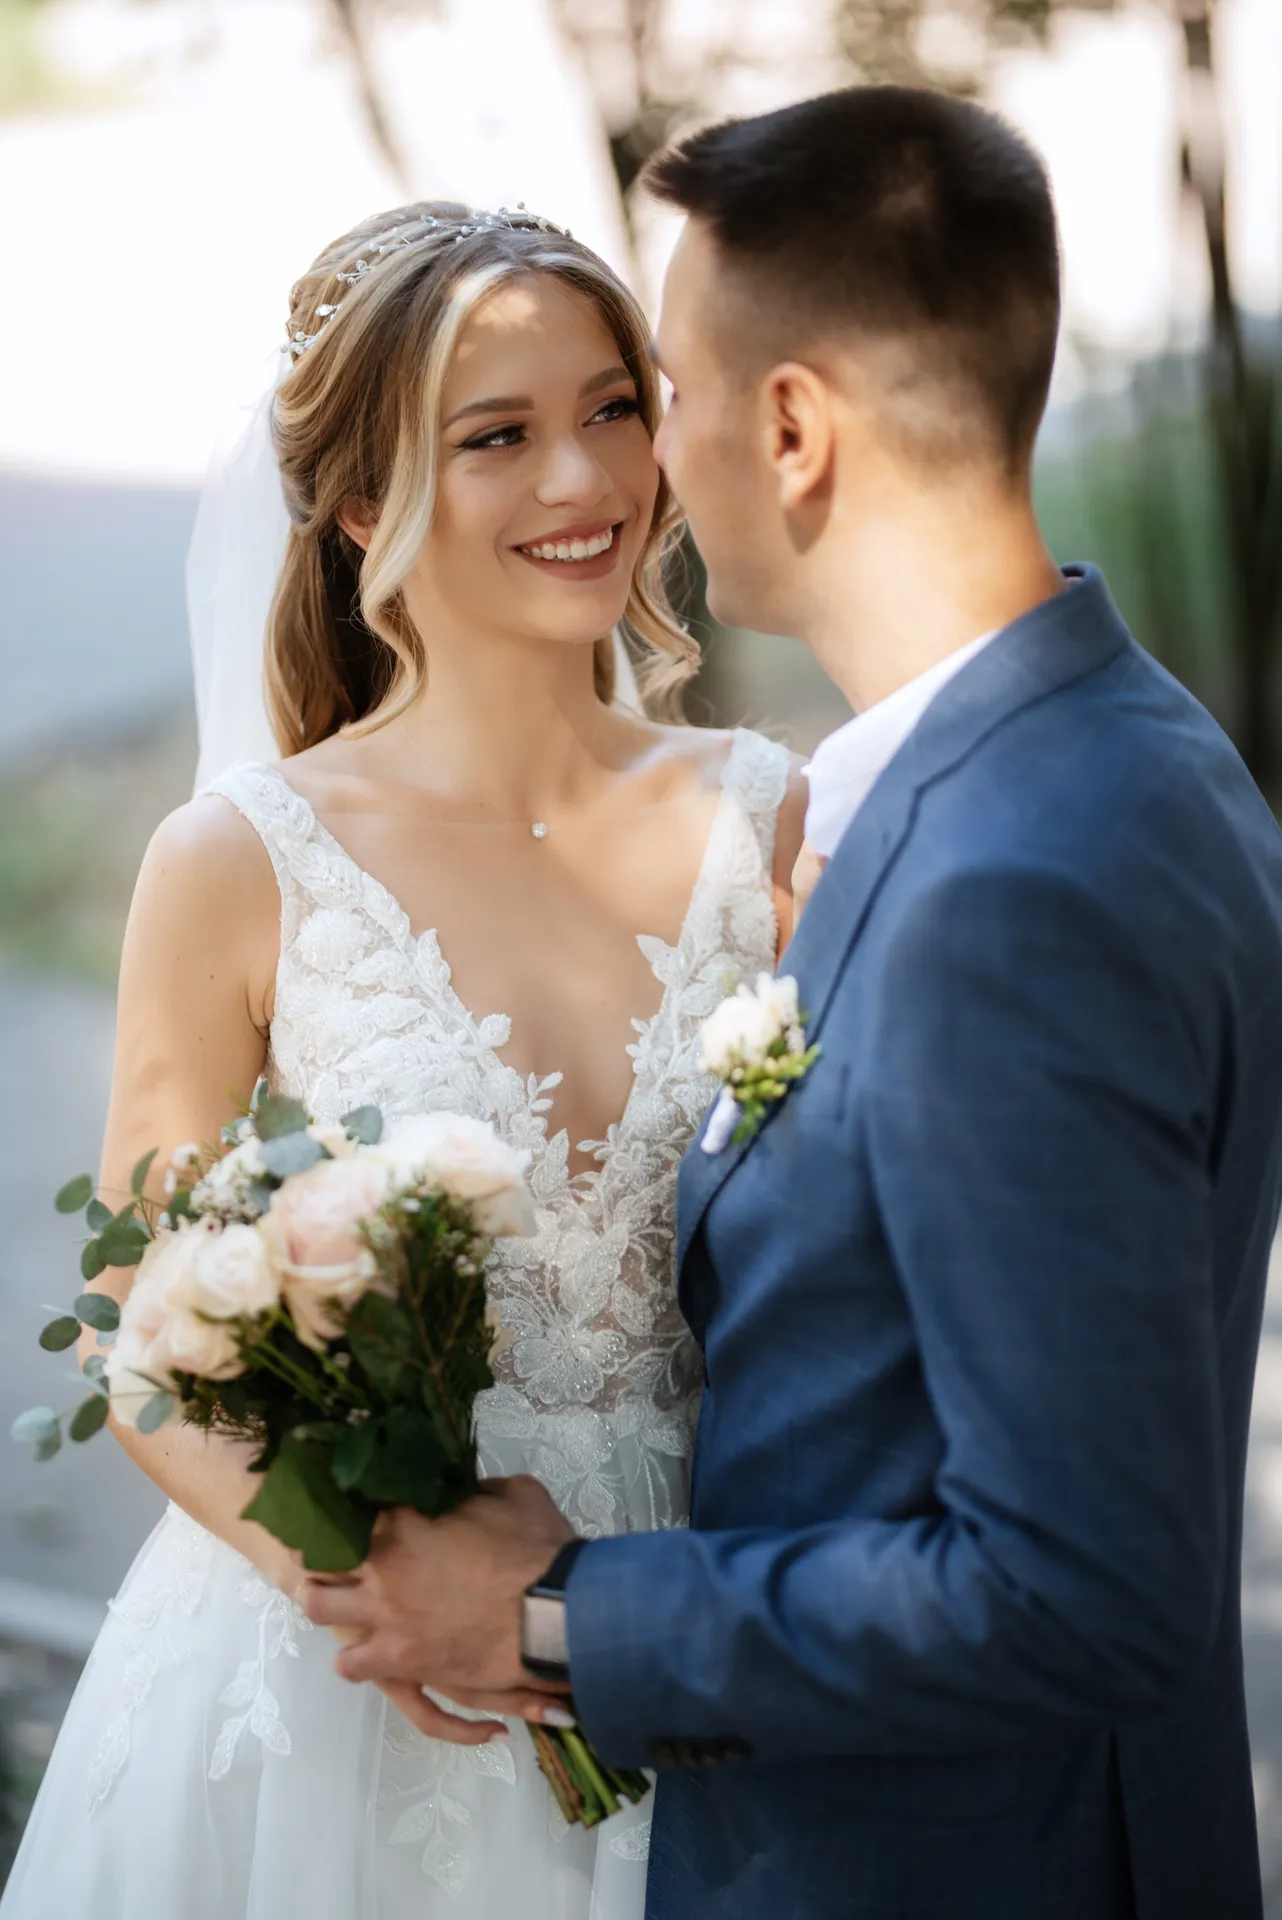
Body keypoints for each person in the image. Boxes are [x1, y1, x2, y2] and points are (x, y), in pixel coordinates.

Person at [306, 89, 1282, 1920]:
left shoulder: (1010, 887)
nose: (634, 461)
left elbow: (1075, 1580)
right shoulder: (1122, 756)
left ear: (789, 426)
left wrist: (553, 1611)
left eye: (656, 390)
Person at [0, 201, 806, 1920]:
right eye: (497, 438)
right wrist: (380, 1585)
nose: (586, 481)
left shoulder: (773, 816)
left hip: (694, 1634)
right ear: (364, 501)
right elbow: (144, 1323)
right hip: (356, 1696)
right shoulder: (238, 859)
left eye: (611, 406)